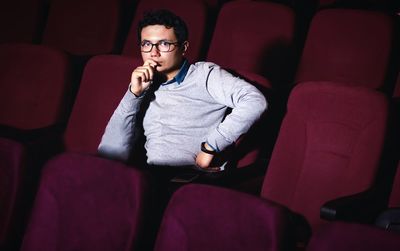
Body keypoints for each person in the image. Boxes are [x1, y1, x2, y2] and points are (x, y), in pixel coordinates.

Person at [98, 9, 267, 173]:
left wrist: (210, 147)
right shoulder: (144, 83)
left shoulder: (205, 75)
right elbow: (110, 151)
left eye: (164, 44)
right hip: (148, 175)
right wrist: (134, 94)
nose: (154, 53)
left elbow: (254, 100)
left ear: (184, 47)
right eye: (147, 44)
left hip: (188, 177)